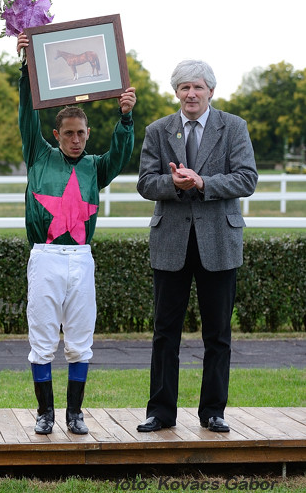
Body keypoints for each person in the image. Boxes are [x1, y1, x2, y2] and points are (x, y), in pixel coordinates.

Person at [15, 34, 136, 435]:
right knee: (43, 338)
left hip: (81, 258)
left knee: (81, 339)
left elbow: (120, 154)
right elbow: (27, 114)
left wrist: (126, 117)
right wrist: (27, 65)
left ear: (88, 133)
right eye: (68, 133)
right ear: (56, 133)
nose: (76, 139)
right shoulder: (38, 153)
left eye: (81, 133)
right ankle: (45, 412)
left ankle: (75, 413)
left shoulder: (95, 167)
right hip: (45, 257)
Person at [136, 60, 258, 434]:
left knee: (218, 334)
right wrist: (175, 185)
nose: (191, 94)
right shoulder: (158, 130)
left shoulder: (233, 127)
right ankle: (160, 412)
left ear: (211, 92)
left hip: (218, 241)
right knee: (164, 332)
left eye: (198, 87)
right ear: (176, 92)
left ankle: (213, 412)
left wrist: (202, 183)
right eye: (184, 87)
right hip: (171, 242)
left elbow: (247, 178)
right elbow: (144, 182)